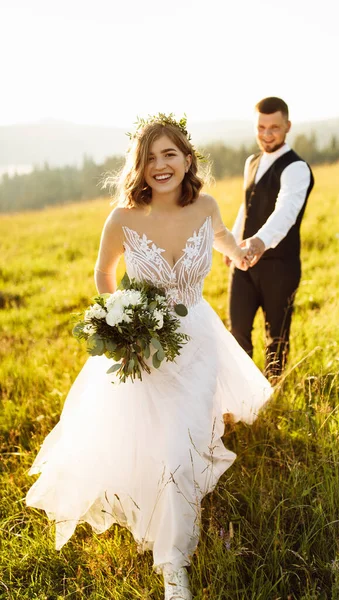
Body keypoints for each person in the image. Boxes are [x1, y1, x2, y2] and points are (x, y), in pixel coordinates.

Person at [25, 114, 273, 600]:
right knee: (153, 444)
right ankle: (163, 525)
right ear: (138, 167)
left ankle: (173, 563)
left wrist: (240, 253)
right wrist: (122, 319)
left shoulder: (205, 205)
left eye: (170, 154)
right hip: (145, 345)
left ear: (186, 159)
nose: (160, 165)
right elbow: (103, 272)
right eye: (150, 157)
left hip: (198, 341)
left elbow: (220, 235)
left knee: (182, 448)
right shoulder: (122, 218)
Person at [226, 97, 314, 381]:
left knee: (276, 338)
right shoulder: (251, 162)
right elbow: (246, 205)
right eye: (261, 127)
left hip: (280, 267)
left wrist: (259, 242)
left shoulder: (296, 168)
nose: (267, 134)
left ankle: (271, 394)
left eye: (274, 127)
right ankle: (242, 396)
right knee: (237, 331)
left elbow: (286, 210)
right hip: (243, 265)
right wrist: (233, 242)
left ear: (287, 126)